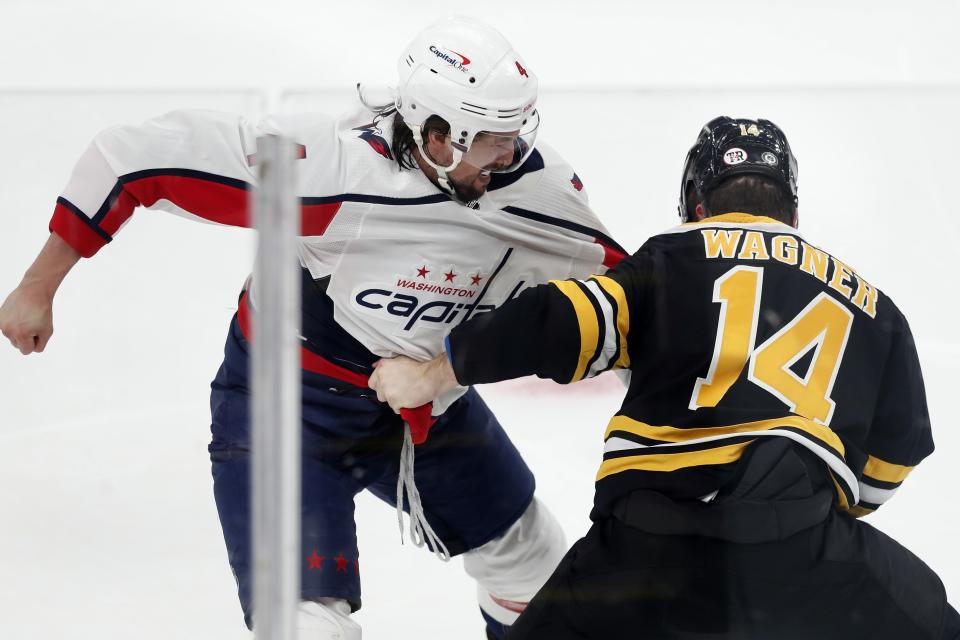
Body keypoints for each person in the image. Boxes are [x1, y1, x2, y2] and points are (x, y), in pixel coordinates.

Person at [0, 17, 627, 640]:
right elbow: (129, 159)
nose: (512, 154)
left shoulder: (539, 192)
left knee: (536, 567)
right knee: (306, 628)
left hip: (422, 408)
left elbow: (631, 293)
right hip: (285, 410)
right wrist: (37, 286)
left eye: (517, 134)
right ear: (439, 136)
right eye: (493, 138)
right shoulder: (329, 171)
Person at [369, 116, 960, 639]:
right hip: (800, 546)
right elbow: (890, 463)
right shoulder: (874, 309)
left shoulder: (673, 257)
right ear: (794, 212)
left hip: (645, 551)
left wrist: (432, 373)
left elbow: (562, 322)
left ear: (697, 206)